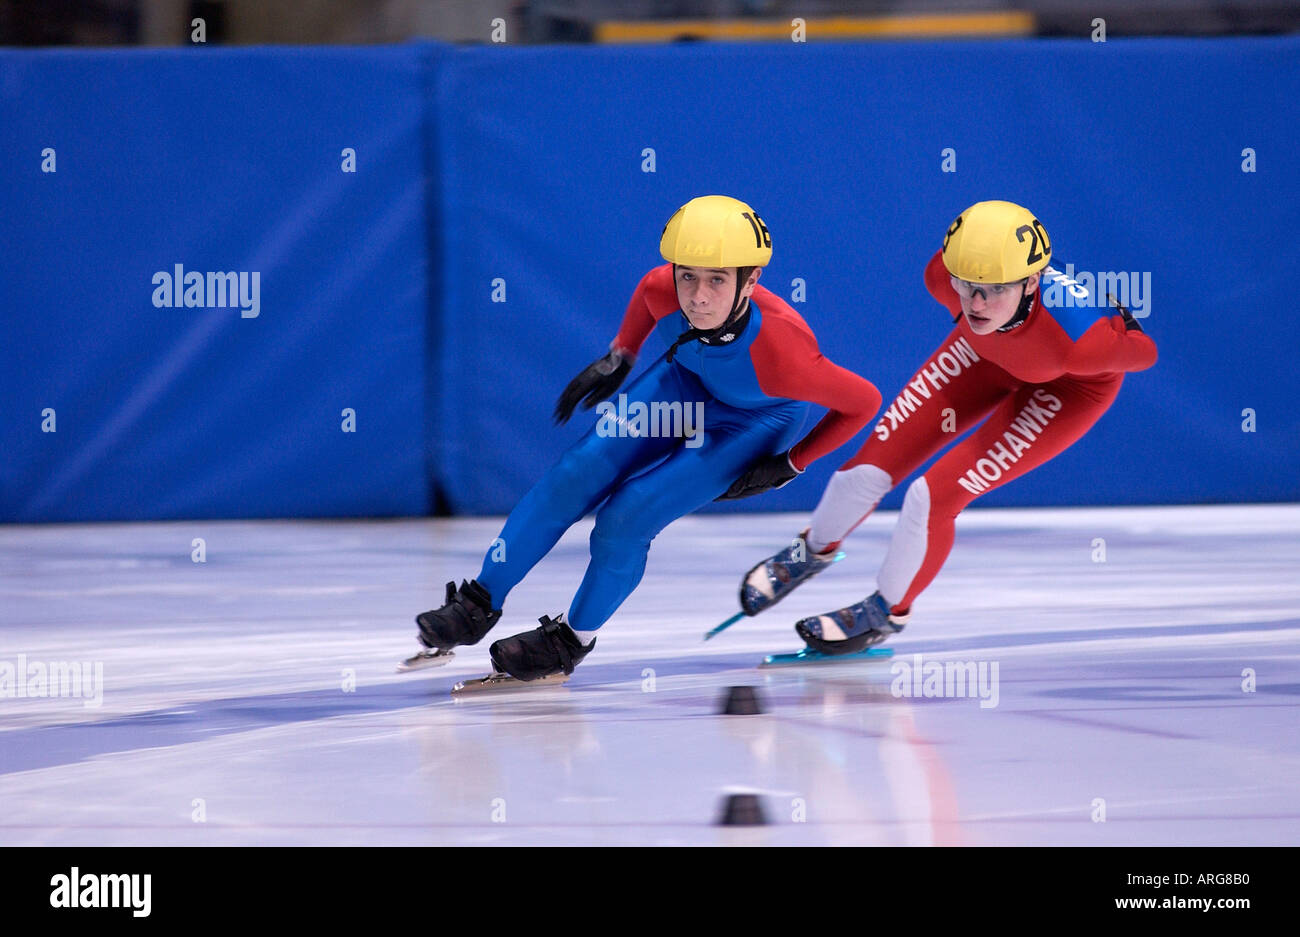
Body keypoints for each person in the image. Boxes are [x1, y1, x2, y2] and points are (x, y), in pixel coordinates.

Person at [415, 195, 882, 681]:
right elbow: (646, 290)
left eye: (717, 280)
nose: (698, 296)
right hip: (686, 381)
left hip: (751, 421)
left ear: (751, 281)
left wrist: (791, 464)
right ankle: (477, 604)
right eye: (688, 277)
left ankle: (570, 641)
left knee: (626, 516)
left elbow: (864, 402)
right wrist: (621, 355)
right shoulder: (665, 287)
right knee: (576, 473)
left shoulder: (783, 354)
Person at [740, 200, 1158, 654]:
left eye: (994, 290)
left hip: (1066, 389)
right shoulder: (942, 275)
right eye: (968, 285)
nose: (976, 303)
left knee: (931, 498)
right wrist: (985, 301)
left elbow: (1146, 352)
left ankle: (886, 612)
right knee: (871, 465)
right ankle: (807, 553)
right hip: (985, 353)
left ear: (1032, 281)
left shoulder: (1081, 342)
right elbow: (976, 299)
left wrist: (1121, 318)